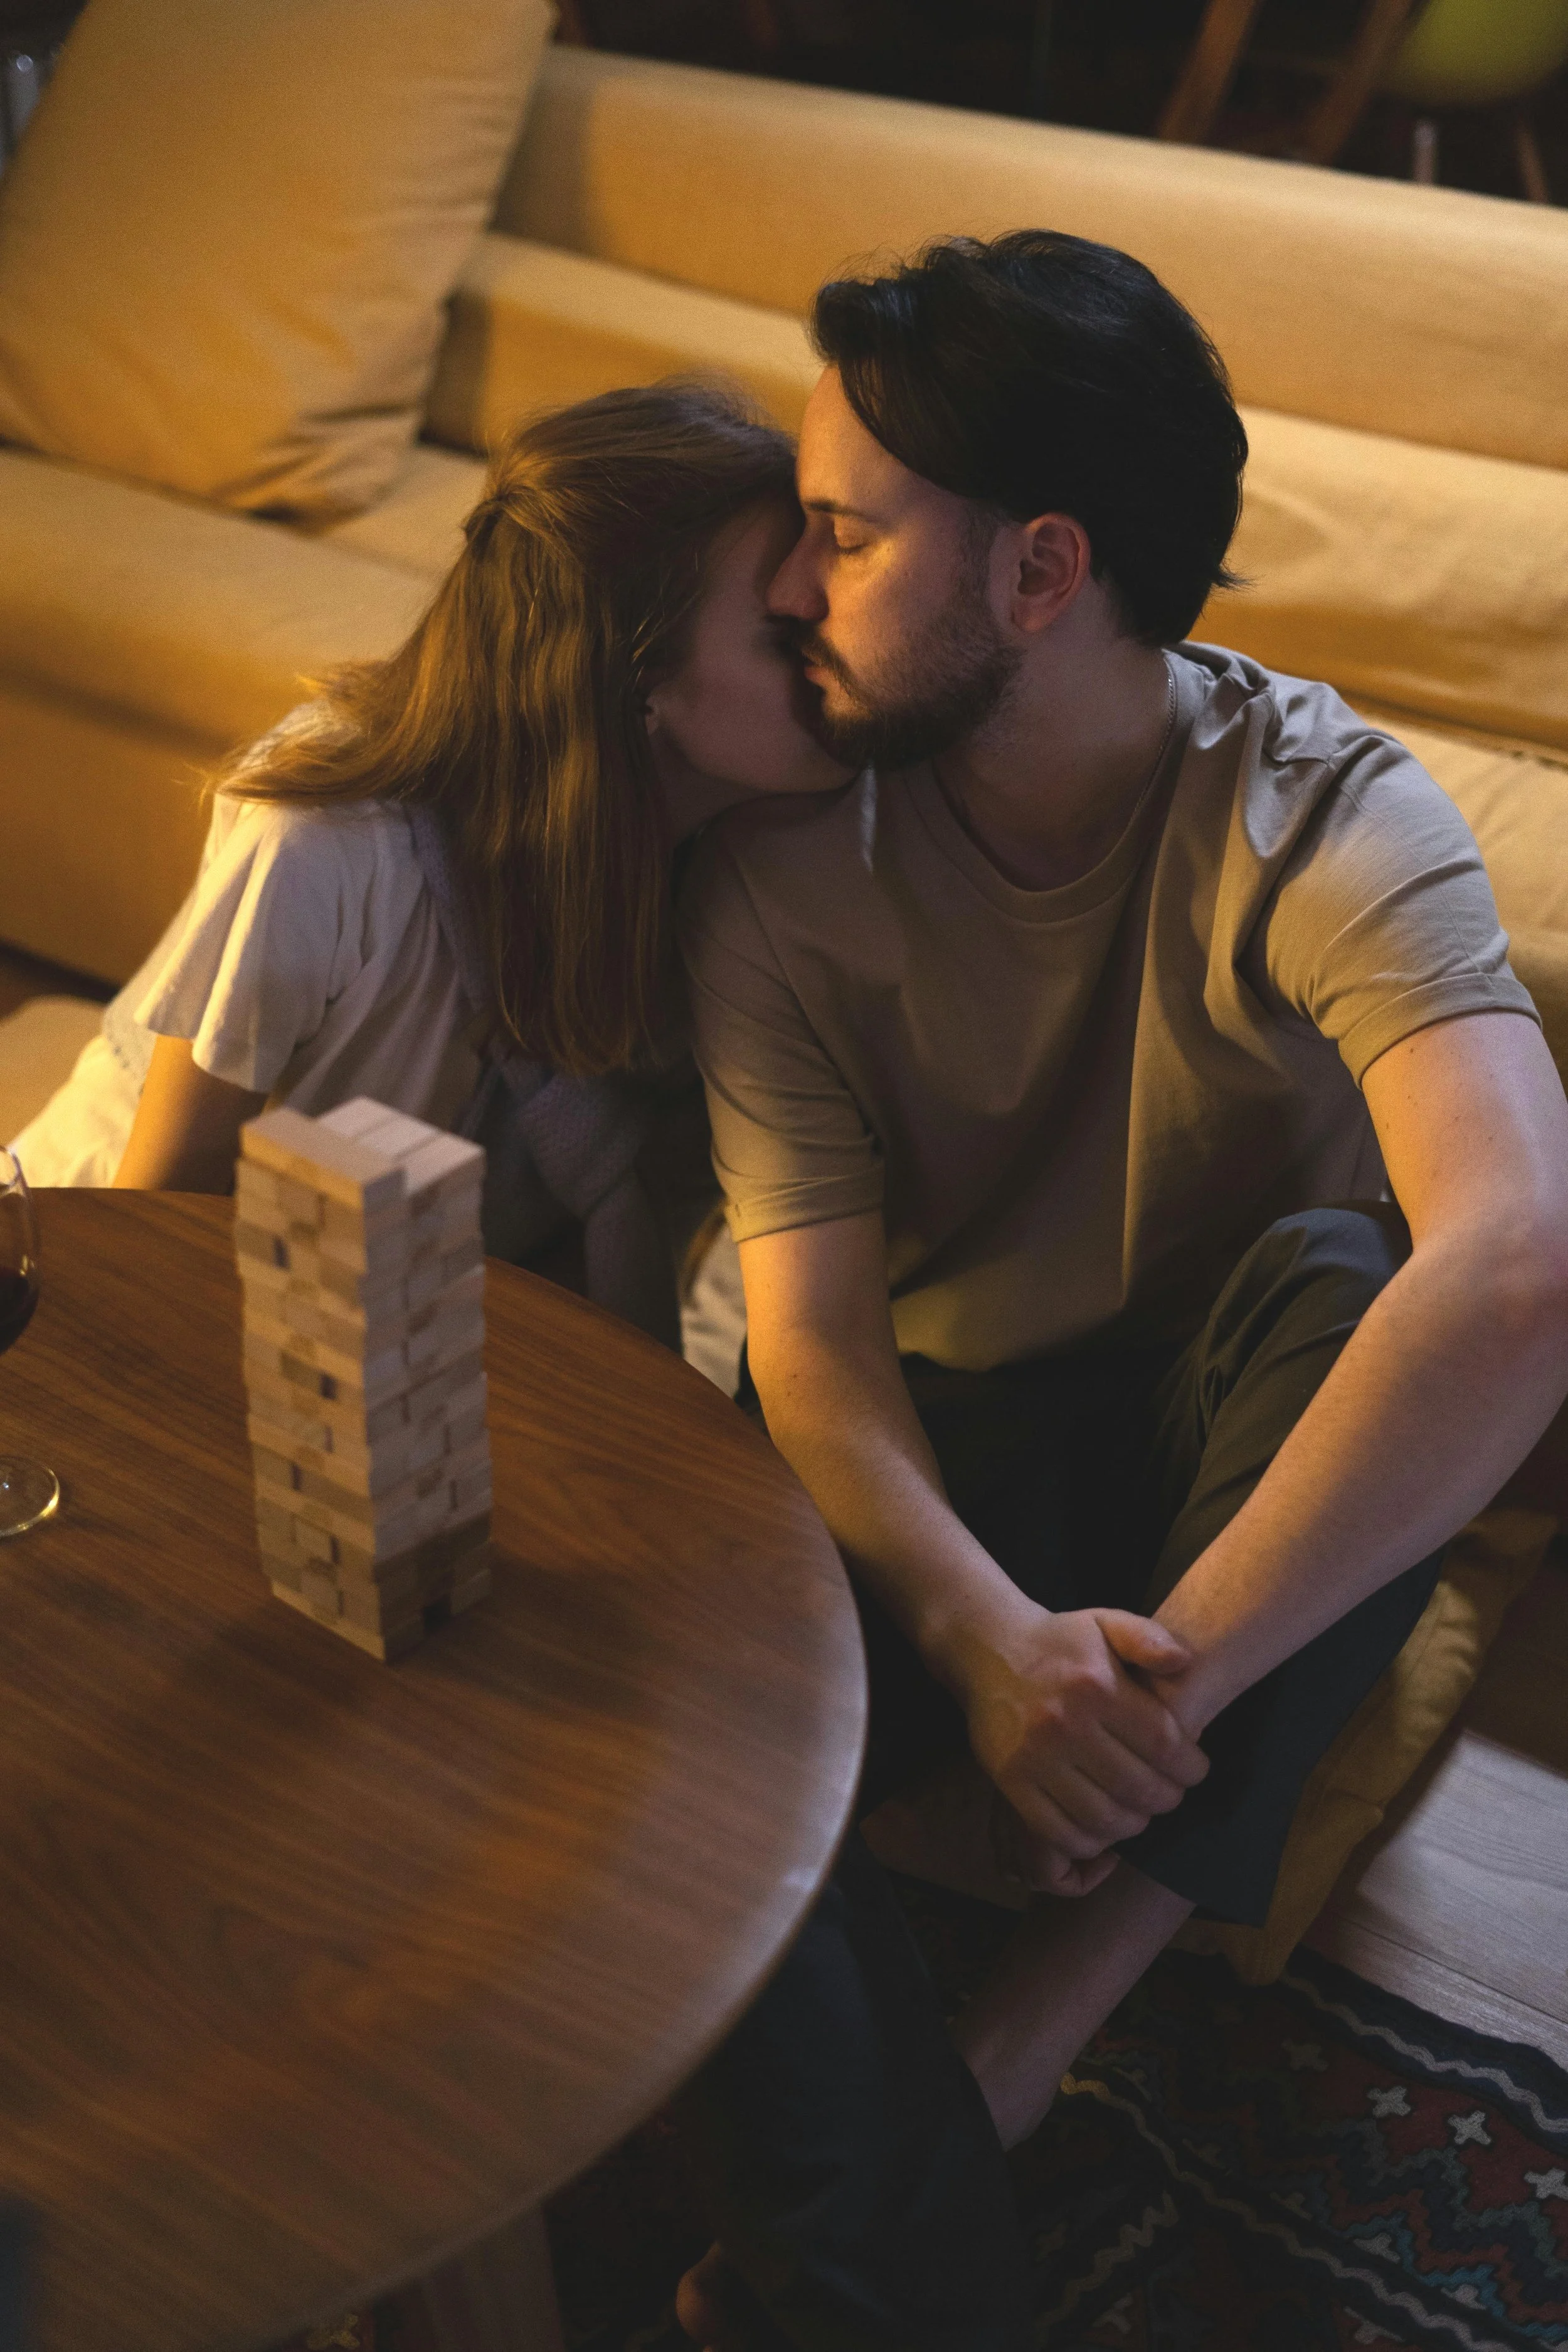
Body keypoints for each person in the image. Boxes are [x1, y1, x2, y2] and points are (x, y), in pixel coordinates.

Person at [674, 231, 1568, 2348]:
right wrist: (990, 1648)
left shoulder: (1325, 809)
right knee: (688, 1654)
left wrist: (1121, 1705)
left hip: (1203, 1507)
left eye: (844, 534)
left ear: (1040, 571)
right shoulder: (789, 865)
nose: (795, 589)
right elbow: (806, 1344)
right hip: (931, 1472)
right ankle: (913, 2210)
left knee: (1382, 1313)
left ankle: (1010, 2046)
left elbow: (1523, 1262)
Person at [10, 383, 850, 1338]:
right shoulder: (328, 846)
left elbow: (607, 1218)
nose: (838, 651)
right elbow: (151, 1217)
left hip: (399, 1355)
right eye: (787, 636)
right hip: (111, 1293)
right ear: (635, 678)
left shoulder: (751, 871)